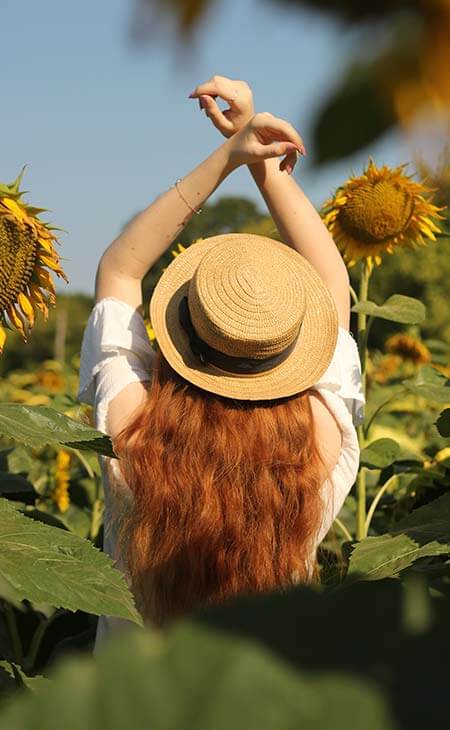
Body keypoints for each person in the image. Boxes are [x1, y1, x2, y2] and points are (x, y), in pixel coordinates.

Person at [78, 76, 365, 654]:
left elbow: (120, 269)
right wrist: (266, 166)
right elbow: (334, 281)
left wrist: (230, 157)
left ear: (186, 331)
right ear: (288, 349)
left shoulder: (131, 434)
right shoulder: (319, 448)